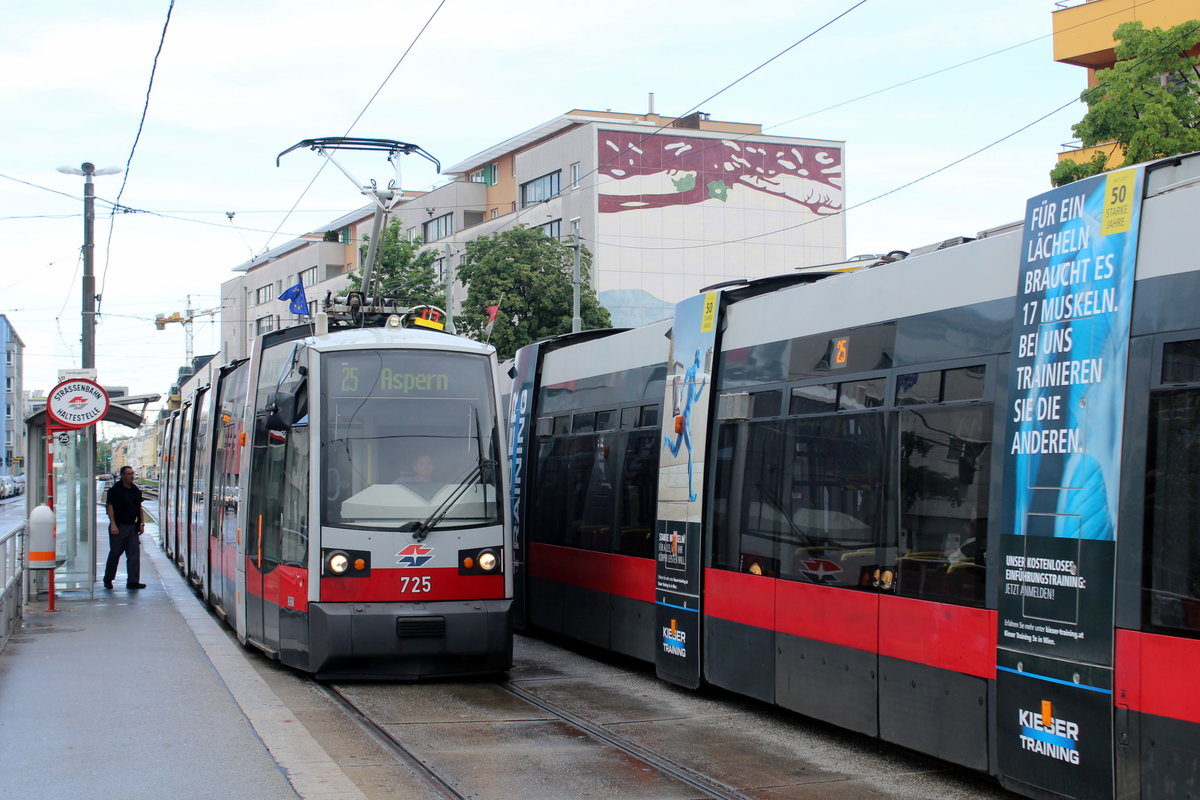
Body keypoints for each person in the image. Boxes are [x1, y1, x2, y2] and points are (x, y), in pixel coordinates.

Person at [104, 465, 146, 590]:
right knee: (115, 553)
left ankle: (133, 581)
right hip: (119, 526)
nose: (132, 476)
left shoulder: (134, 490)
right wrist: (113, 524)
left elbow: (139, 507)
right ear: (123, 476)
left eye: (133, 473)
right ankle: (108, 578)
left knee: (134, 554)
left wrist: (141, 523)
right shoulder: (115, 490)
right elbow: (110, 506)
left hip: (132, 527)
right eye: (129, 474)